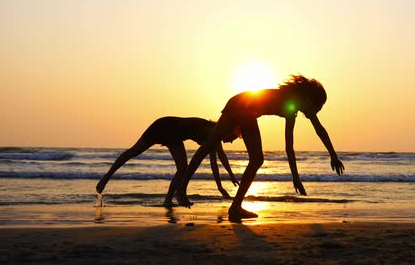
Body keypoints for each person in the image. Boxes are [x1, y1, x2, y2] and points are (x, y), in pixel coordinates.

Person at [173, 75, 345, 221]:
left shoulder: (291, 108)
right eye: (317, 108)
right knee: (210, 145)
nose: (316, 113)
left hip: (247, 110)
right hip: (240, 105)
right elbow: (306, 136)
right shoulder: (291, 103)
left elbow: (293, 145)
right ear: (308, 99)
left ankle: (235, 208)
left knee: (254, 159)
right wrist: (328, 159)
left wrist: (300, 175)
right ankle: (183, 190)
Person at [95, 117, 241, 207]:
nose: (233, 141)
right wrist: (220, 187)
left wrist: (227, 180)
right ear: (232, 130)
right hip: (171, 127)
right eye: (236, 137)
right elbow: (215, 162)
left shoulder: (215, 133)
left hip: (162, 123)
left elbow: (220, 159)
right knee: (183, 168)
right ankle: (171, 198)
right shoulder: (213, 131)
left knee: (133, 151)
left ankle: (105, 179)